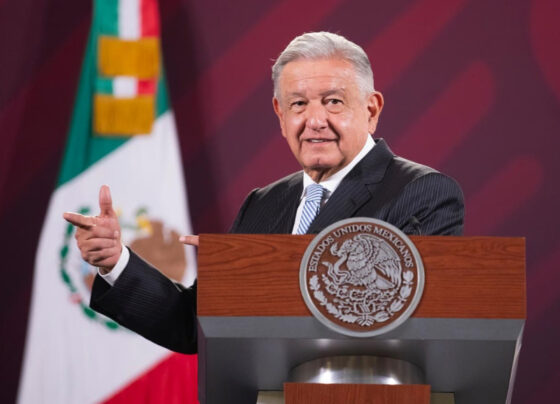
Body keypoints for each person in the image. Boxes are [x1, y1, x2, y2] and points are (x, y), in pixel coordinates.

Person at [63, 32, 464, 354]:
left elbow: (391, 316)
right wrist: (116, 262)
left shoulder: (423, 193)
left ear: (371, 110)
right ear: (280, 115)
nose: (314, 120)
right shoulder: (264, 203)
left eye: (333, 102)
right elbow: (192, 326)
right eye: (298, 104)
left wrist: (259, 269)